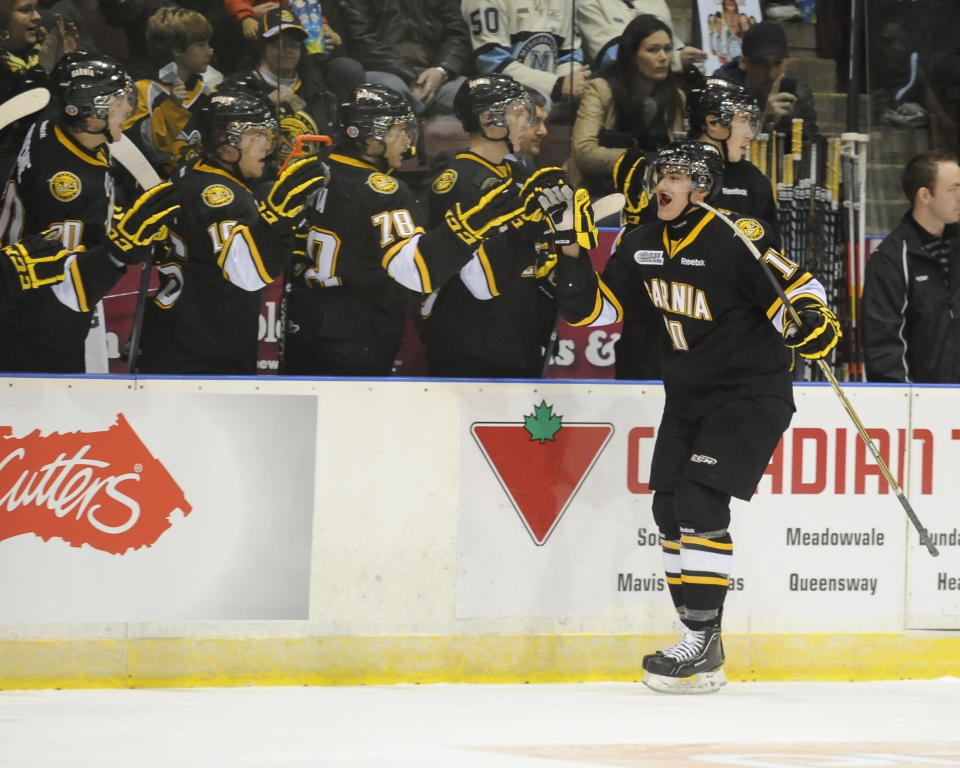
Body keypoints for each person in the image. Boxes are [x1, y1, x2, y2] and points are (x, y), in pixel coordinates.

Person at [552, 140, 840, 693]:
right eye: (661, 172)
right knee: (667, 507)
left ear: (703, 189)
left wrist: (811, 321)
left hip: (751, 393)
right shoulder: (639, 244)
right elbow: (596, 311)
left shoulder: (737, 236)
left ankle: (702, 642)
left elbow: (798, 287)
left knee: (699, 500)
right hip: (688, 397)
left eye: (678, 175)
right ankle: (700, 639)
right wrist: (570, 253)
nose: (663, 180)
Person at [281, 83, 524, 376]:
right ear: (368, 138)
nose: (407, 142)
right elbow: (417, 271)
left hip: (300, 324)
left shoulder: (310, 168)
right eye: (398, 131)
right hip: (357, 335)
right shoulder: (385, 191)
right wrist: (470, 226)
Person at [0, 51, 180, 373]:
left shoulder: (59, 129)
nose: (127, 108)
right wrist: (120, 248)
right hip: (35, 329)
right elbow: (67, 288)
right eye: (116, 101)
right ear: (88, 112)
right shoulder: (66, 186)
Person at [138, 87, 328, 374]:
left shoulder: (190, 171)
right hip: (204, 351)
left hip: (173, 335)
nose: (269, 145)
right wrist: (277, 218)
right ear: (225, 142)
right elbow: (246, 275)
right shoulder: (222, 196)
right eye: (257, 135)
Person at [610, 76, 775, 380]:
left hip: (722, 353)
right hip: (653, 345)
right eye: (743, 121)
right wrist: (632, 224)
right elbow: (629, 267)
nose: (750, 132)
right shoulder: (664, 172)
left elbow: (768, 271)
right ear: (714, 122)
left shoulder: (754, 183)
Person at [420, 75, 562, 378]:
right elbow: (472, 274)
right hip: (472, 343)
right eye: (521, 113)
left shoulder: (521, 176)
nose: (532, 123)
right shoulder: (459, 181)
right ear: (490, 119)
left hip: (519, 335)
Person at [863, 151, 960, 383]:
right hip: (922, 405)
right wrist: (904, 402)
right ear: (925, 195)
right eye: (953, 189)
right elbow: (884, 344)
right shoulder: (891, 259)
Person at [572, 14, 684, 198]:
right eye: (653, 50)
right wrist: (645, 160)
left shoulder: (676, 96)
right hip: (601, 192)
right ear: (632, 55)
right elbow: (584, 153)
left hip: (654, 193)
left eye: (668, 49)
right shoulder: (601, 89)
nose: (663, 57)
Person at [221, 8, 337, 168]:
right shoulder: (236, 88)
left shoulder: (317, 90)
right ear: (262, 47)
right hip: (258, 182)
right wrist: (265, 105)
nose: (287, 50)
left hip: (314, 176)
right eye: (278, 44)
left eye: (294, 45)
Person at [124, 7, 214, 178]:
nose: (210, 50)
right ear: (176, 50)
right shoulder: (142, 91)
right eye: (201, 44)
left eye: (208, 43)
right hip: (157, 192)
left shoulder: (209, 93)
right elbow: (142, 152)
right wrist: (172, 109)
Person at [337, 0, 470, 116]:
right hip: (382, 69)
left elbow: (457, 35)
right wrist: (411, 77)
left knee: (470, 92)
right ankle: (413, 138)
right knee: (393, 92)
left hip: (432, 71)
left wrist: (442, 70)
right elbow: (362, 40)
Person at [461, 0, 590, 114]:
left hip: (551, 97)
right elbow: (492, 63)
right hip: (494, 96)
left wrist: (569, 83)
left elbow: (568, 55)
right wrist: (556, 86)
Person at [0, 0, 77, 165]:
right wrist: (43, 70)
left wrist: (69, 63)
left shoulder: (47, 49)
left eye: (36, 8)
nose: (37, 16)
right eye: (25, 10)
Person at [713, 20, 819, 139]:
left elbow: (813, 144)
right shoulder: (725, 92)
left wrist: (789, 122)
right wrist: (766, 119)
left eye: (777, 63)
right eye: (761, 63)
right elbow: (727, 148)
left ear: (786, 63)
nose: (771, 74)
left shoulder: (798, 93)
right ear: (743, 63)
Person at [576, 0, 706, 73]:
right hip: (617, 97)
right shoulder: (591, 3)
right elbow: (612, 58)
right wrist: (676, 60)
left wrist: (691, 59)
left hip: (660, 94)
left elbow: (674, 44)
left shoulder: (657, 3)